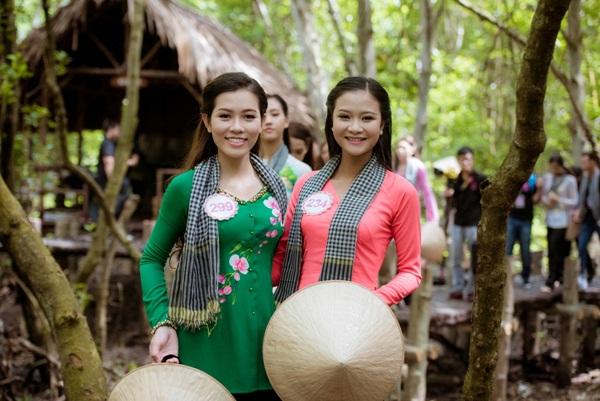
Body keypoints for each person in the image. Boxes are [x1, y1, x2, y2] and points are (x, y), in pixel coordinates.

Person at [139, 72, 287, 400]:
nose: (237, 127)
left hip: (269, 342)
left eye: (248, 116)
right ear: (207, 121)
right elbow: (150, 259)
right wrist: (161, 322)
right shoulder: (185, 188)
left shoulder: (277, 188)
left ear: (262, 121)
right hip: (205, 342)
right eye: (225, 116)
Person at [272, 76, 422, 306]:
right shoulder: (307, 184)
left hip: (358, 318)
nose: (355, 127)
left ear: (382, 125)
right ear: (331, 122)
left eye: (367, 118)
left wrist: (372, 302)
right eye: (344, 116)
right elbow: (281, 259)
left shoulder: (400, 191)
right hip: (299, 316)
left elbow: (411, 271)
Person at [444, 146, 486, 301]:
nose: (464, 162)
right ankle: (457, 287)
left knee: (474, 257)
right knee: (456, 256)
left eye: (467, 159)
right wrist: (448, 195)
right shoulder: (454, 179)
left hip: (474, 223)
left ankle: (472, 289)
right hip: (458, 223)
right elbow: (451, 202)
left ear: (472, 160)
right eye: (461, 159)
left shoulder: (480, 179)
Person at [260, 94, 312, 195]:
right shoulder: (246, 167)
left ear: (286, 120)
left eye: (275, 114)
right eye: (263, 116)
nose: (268, 121)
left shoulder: (302, 171)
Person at [541, 153, 578, 292]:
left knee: (559, 249)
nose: (553, 169)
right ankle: (553, 277)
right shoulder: (548, 178)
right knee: (551, 250)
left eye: (555, 167)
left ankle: (556, 278)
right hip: (550, 219)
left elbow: (574, 201)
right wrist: (547, 201)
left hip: (563, 220)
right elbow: (543, 196)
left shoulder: (570, 180)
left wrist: (558, 200)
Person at [90, 120, 139, 220]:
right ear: (111, 129)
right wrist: (113, 181)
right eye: (118, 129)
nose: (120, 132)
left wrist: (130, 162)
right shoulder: (107, 144)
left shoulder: (113, 144)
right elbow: (108, 163)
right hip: (105, 181)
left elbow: (116, 162)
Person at [506, 174, 542, 289]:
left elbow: (536, 200)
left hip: (526, 220)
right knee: (508, 248)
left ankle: (525, 277)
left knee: (525, 249)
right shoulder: (512, 177)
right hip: (512, 218)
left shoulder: (533, 180)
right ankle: (506, 276)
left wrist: (540, 188)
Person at [572, 151, 600, 290]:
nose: (583, 164)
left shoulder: (598, 177)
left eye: (585, 161)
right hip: (587, 218)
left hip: (598, 218)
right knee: (582, 246)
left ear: (593, 161)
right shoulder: (585, 178)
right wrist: (578, 211)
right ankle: (583, 274)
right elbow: (582, 198)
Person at [394, 137, 439, 222]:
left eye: (403, 148)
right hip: (395, 209)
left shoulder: (418, 166)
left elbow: (427, 191)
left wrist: (432, 216)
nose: (400, 151)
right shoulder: (394, 166)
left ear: (412, 149)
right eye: (398, 147)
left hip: (410, 209)